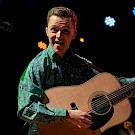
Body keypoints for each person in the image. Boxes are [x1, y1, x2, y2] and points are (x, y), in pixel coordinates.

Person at [17, 6, 135, 135]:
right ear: (46, 31)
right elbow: (26, 108)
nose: (58, 36)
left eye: (65, 31)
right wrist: (67, 115)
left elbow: (115, 84)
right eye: (54, 30)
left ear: (74, 34)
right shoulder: (37, 66)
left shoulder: (82, 64)